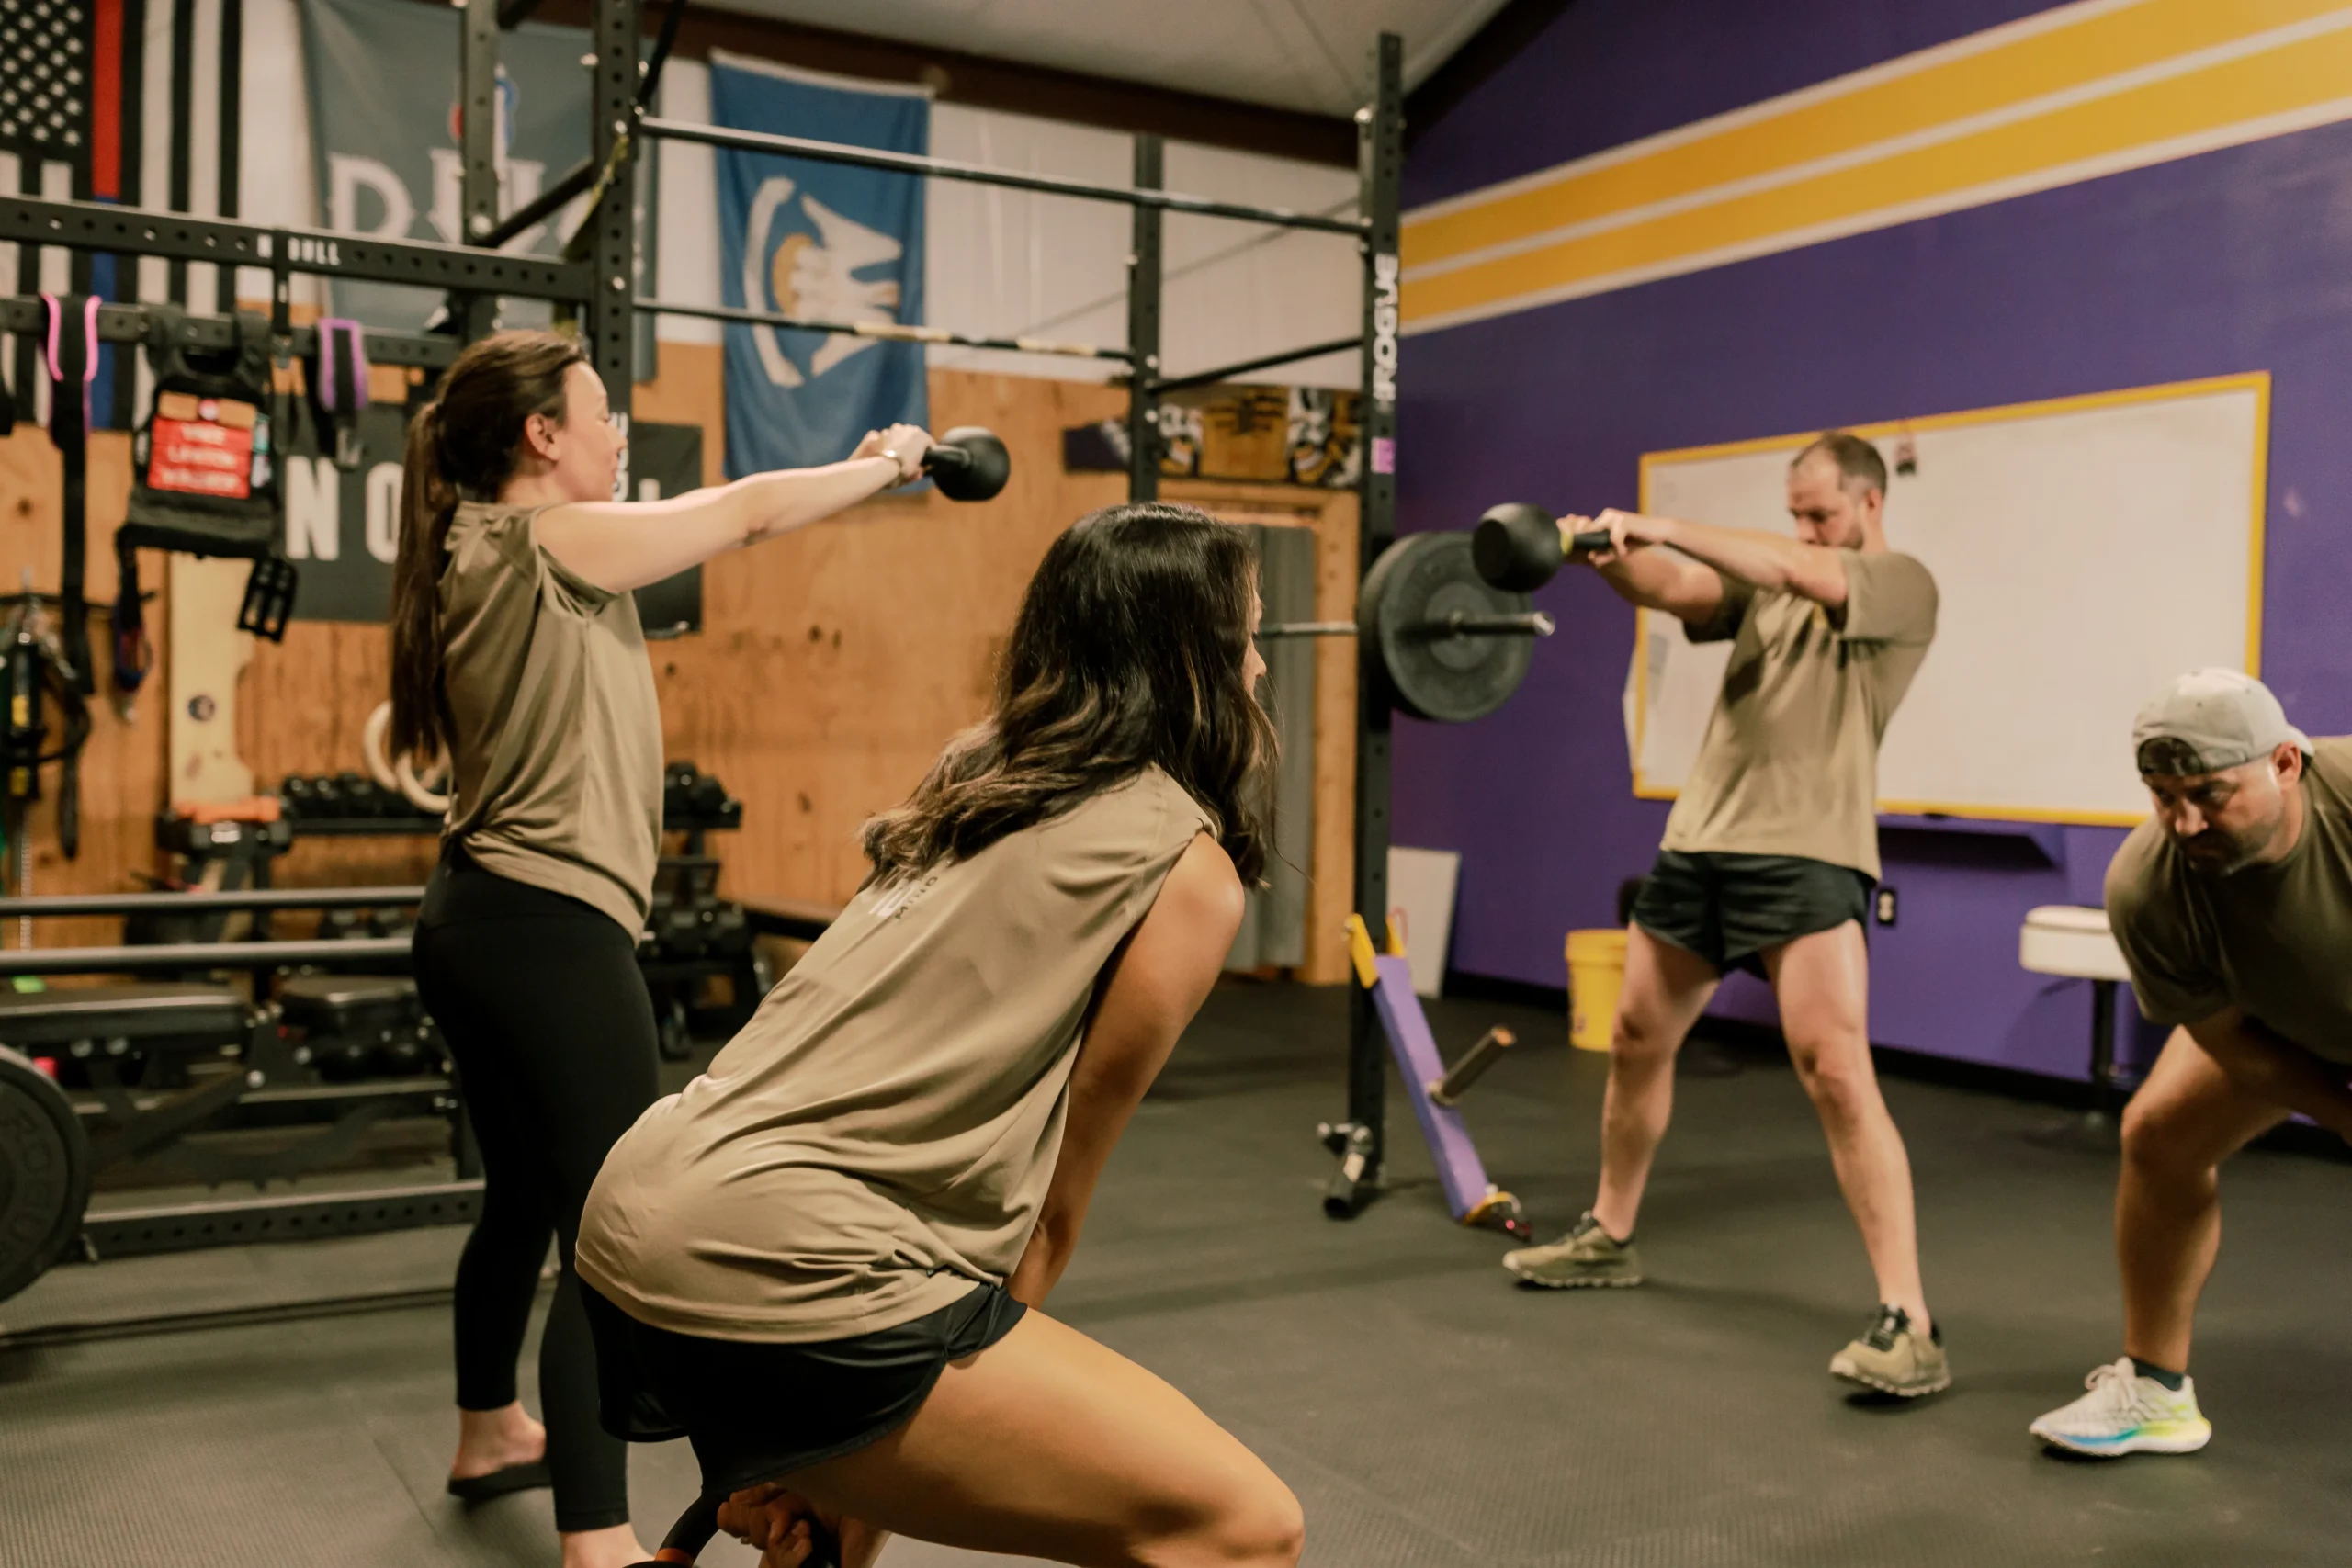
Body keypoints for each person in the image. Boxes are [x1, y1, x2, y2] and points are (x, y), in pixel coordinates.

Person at [571, 502, 1305, 1568]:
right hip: (782, 1258)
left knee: (845, 1523)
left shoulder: (973, 779)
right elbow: (1052, 1207)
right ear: (1187, 658)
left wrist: (847, 1464)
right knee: (1242, 1529)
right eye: (1244, 635)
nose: (1258, 668)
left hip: (643, 1208)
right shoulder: (1181, 864)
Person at [389, 327, 937, 1568]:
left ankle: (490, 1432)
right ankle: (599, 1539)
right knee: (613, 1233)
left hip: (478, 916)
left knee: (523, 1201)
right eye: (598, 411)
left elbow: (720, 514)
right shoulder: (542, 536)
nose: (616, 430)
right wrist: (886, 461)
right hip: (543, 929)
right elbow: (741, 515)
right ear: (542, 435)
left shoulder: (486, 544)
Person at [1502, 432, 1951, 1397]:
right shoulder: (1773, 592)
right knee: (1632, 1038)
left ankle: (1908, 1319)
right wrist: (1609, 558)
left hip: (1808, 851)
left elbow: (1795, 567)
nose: (1804, 528)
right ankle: (1608, 1233)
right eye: (1794, 511)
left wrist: (1660, 521)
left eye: (1820, 511)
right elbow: (1679, 590)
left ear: (1868, 504)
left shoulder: (1900, 585)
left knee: (1834, 1070)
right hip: (1702, 842)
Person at [2030, 670, 2352, 1457]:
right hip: (2285, 1021)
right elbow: (2225, 1040)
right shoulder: (2147, 888)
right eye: (2162, 795)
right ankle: (2155, 1393)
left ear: (2285, 763)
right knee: (2159, 1136)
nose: (2184, 821)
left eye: (2208, 793)